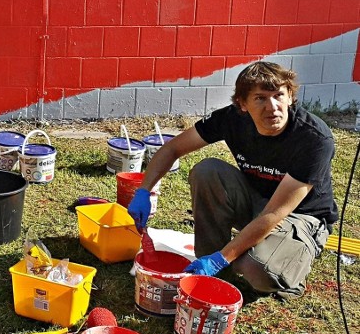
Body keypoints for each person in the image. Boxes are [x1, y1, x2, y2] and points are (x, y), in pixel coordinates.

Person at [127, 61, 336, 300]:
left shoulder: (313, 138)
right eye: (260, 98)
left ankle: (287, 275)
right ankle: (208, 267)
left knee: (254, 269)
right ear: (242, 104)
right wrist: (143, 191)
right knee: (207, 171)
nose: (273, 107)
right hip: (257, 200)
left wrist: (223, 258)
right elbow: (172, 148)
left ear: (290, 96)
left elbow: (274, 213)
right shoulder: (232, 119)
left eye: (279, 95)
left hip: (301, 217)